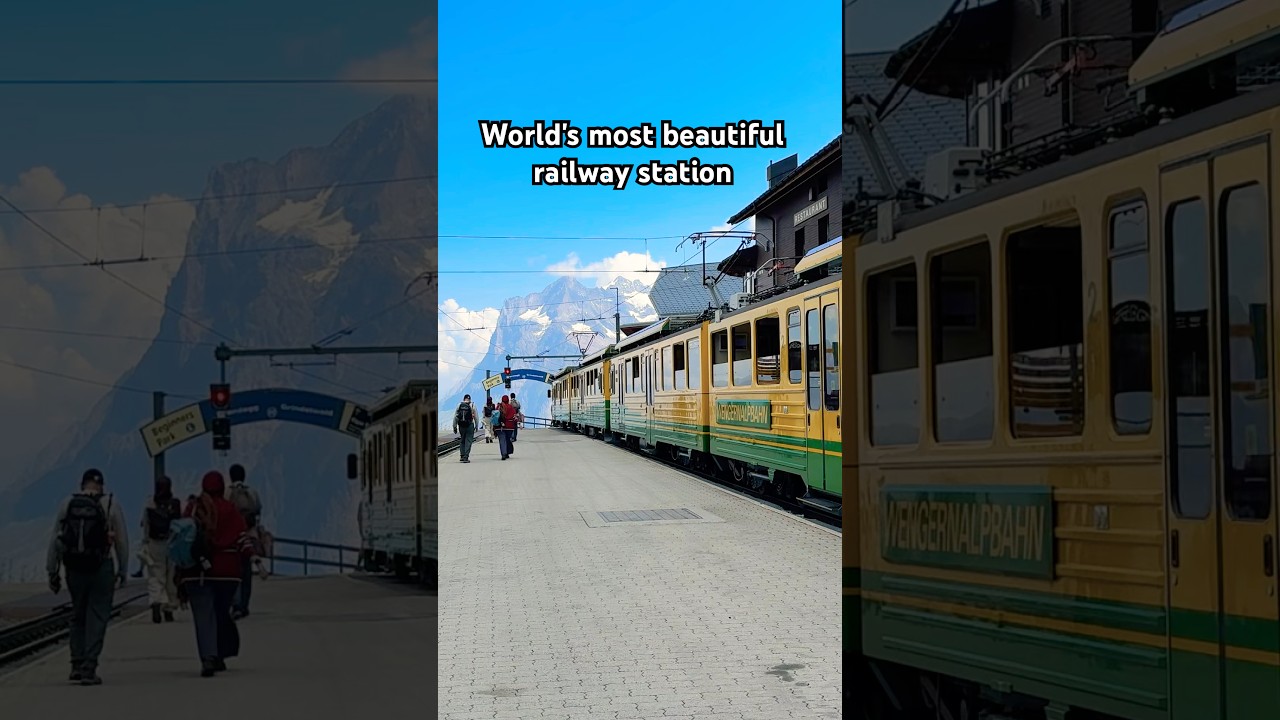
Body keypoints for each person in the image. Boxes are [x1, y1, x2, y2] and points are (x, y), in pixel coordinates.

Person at [45, 468, 129, 685]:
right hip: (101, 566)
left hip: (74, 568)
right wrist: (123, 570)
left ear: (82, 484)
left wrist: (52, 571)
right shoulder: (110, 504)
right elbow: (121, 541)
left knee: (78, 613)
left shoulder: (68, 503)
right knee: (98, 616)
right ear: (102, 485)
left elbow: (56, 539)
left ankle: (76, 663)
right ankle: (89, 667)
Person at [177, 471, 254, 677]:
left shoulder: (194, 508)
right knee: (220, 612)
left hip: (196, 572)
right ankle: (220, 653)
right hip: (227, 572)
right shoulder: (230, 510)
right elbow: (242, 539)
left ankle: (208, 657)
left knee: (203, 616)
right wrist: (253, 558)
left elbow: (182, 536)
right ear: (222, 488)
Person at [139, 475, 181, 623]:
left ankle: (156, 601)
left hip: (154, 543)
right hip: (171, 543)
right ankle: (169, 608)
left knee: (156, 575)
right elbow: (179, 526)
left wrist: (145, 543)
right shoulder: (175, 503)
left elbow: (146, 526)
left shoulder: (150, 504)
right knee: (171, 576)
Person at [226, 464, 264, 620]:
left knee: (234, 570)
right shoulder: (252, 492)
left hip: (233, 537)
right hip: (250, 534)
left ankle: (236, 604)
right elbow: (258, 509)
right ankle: (244, 605)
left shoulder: (227, 492)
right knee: (246, 571)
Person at [452, 394, 477, 463]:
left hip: (461, 425)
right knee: (468, 441)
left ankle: (462, 456)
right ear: (470, 399)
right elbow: (476, 417)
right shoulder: (472, 405)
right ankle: (466, 457)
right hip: (470, 425)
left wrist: (454, 427)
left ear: (464, 399)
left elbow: (455, 417)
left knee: (462, 440)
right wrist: (477, 425)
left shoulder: (459, 405)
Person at [496, 394, 517, 460]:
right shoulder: (511, 407)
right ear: (508, 400)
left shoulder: (499, 407)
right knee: (508, 439)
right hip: (509, 426)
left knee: (502, 440)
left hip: (499, 427)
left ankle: (503, 454)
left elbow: (495, 415)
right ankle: (507, 452)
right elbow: (514, 416)